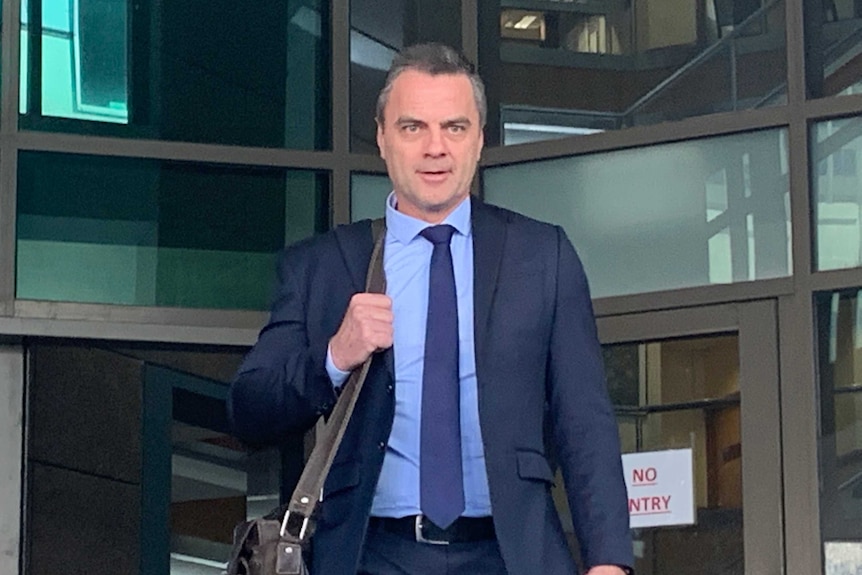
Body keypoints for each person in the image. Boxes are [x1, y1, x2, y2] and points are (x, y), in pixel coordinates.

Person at [228, 43, 634, 575]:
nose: (435, 148)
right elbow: (249, 410)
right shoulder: (323, 266)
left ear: (480, 140)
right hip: (371, 554)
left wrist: (609, 561)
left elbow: (586, 422)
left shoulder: (542, 256)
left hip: (511, 555)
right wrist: (334, 355)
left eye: (455, 127)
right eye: (413, 127)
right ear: (381, 137)